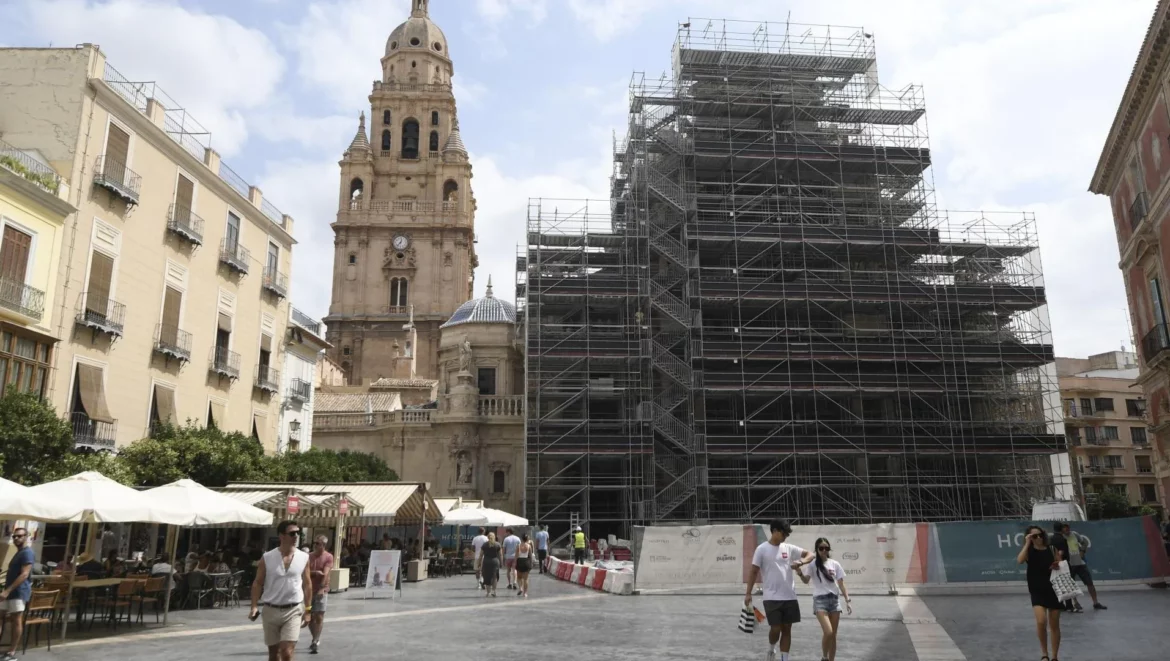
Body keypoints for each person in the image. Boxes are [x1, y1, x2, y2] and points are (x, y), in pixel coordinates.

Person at [745, 519, 815, 661]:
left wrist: (801, 562)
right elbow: (753, 571)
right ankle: (771, 649)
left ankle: (785, 658)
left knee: (787, 629)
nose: (785, 537)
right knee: (776, 628)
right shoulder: (761, 549)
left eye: (787, 535)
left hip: (790, 596)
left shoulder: (789, 548)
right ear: (775, 531)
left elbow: (811, 554)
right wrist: (748, 593)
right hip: (771, 597)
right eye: (784, 534)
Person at [250, 521, 312, 661]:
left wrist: (308, 610)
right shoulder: (268, 557)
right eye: (292, 533)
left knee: (287, 652)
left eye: (298, 533)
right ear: (281, 536)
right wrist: (254, 606)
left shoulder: (304, 557)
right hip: (270, 609)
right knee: (274, 654)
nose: (296, 536)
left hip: (293, 609)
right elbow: (258, 583)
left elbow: (308, 584)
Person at [798, 537, 852, 661]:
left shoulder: (834, 564)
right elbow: (806, 580)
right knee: (828, 632)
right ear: (817, 549)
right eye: (821, 548)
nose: (824, 550)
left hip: (834, 600)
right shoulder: (812, 564)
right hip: (820, 600)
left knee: (833, 635)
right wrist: (800, 573)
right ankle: (824, 657)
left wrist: (848, 601)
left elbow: (841, 584)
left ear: (829, 549)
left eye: (826, 548)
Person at [1017, 525, 1062, 661]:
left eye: (1040, 534)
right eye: (1034, 536)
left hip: (1053, 588)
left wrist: (1057, 564)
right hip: (1037, 590)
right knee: (1041, 621)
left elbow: (1060, 565)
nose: (1039, 538)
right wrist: (1027, 543)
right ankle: (1044, 654)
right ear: (1030, 538)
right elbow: (1019, 560)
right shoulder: (1029, 552)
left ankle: (1054, 656)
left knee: (1054, 624)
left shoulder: (1051, 549)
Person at [1050, 522, 1105, 612]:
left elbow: (1085, 542)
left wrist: (1082, 551)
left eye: (1068, 527)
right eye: (1065, 528)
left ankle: (1096, 603)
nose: (1067, 529)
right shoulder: (1060, 538)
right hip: (1069, 565)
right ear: (1061, 529)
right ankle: (1075, 602)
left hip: (1080, 563)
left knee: (1089, 583)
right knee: (1070, 586)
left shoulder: (1074, 534)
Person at [0, 527, 34, 661]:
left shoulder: (27, 553)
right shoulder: (19, 552)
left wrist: (8, 590)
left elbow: (25, 574)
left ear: (26, 537)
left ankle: (12, 652)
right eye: (14, 536)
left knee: (16, 621)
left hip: (18, 592)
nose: (16, 539)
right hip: (9, 592)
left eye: (19, 536)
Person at [308, 535, 334, 655]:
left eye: (318, 543)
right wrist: (314, 572)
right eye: (315, 543)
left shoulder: (328, 557)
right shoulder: (309, 556)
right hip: (308, 590)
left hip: (321, 590)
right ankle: (315, 637)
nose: (315, 545)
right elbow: (304, 572)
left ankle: (315, 640)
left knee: (319, 616)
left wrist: (321, 588)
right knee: (309, 618)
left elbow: (326, 573)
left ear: (323, 545)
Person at [480, 532, 502, 598]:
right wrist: (501, 562)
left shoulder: (484, 545)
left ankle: (488, 592)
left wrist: (479, 563)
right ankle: (494, 591)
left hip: (486, 562)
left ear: (487, 537)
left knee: (487, 577)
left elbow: (481, 555)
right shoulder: (498, 544)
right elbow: (500, 555)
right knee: (494, 577)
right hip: (495, 562)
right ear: (494, 537)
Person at [515, 533, 533, 598]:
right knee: (526, 579)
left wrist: (514, 563)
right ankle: (525, 593)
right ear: (527, 539)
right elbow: (530, 556)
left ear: (521, 539)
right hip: (526, 562)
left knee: (519, 577)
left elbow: (516, 556)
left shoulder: (518, 546)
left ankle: (520, 588)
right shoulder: (529, 546)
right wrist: (531, 563)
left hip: (519, 561)